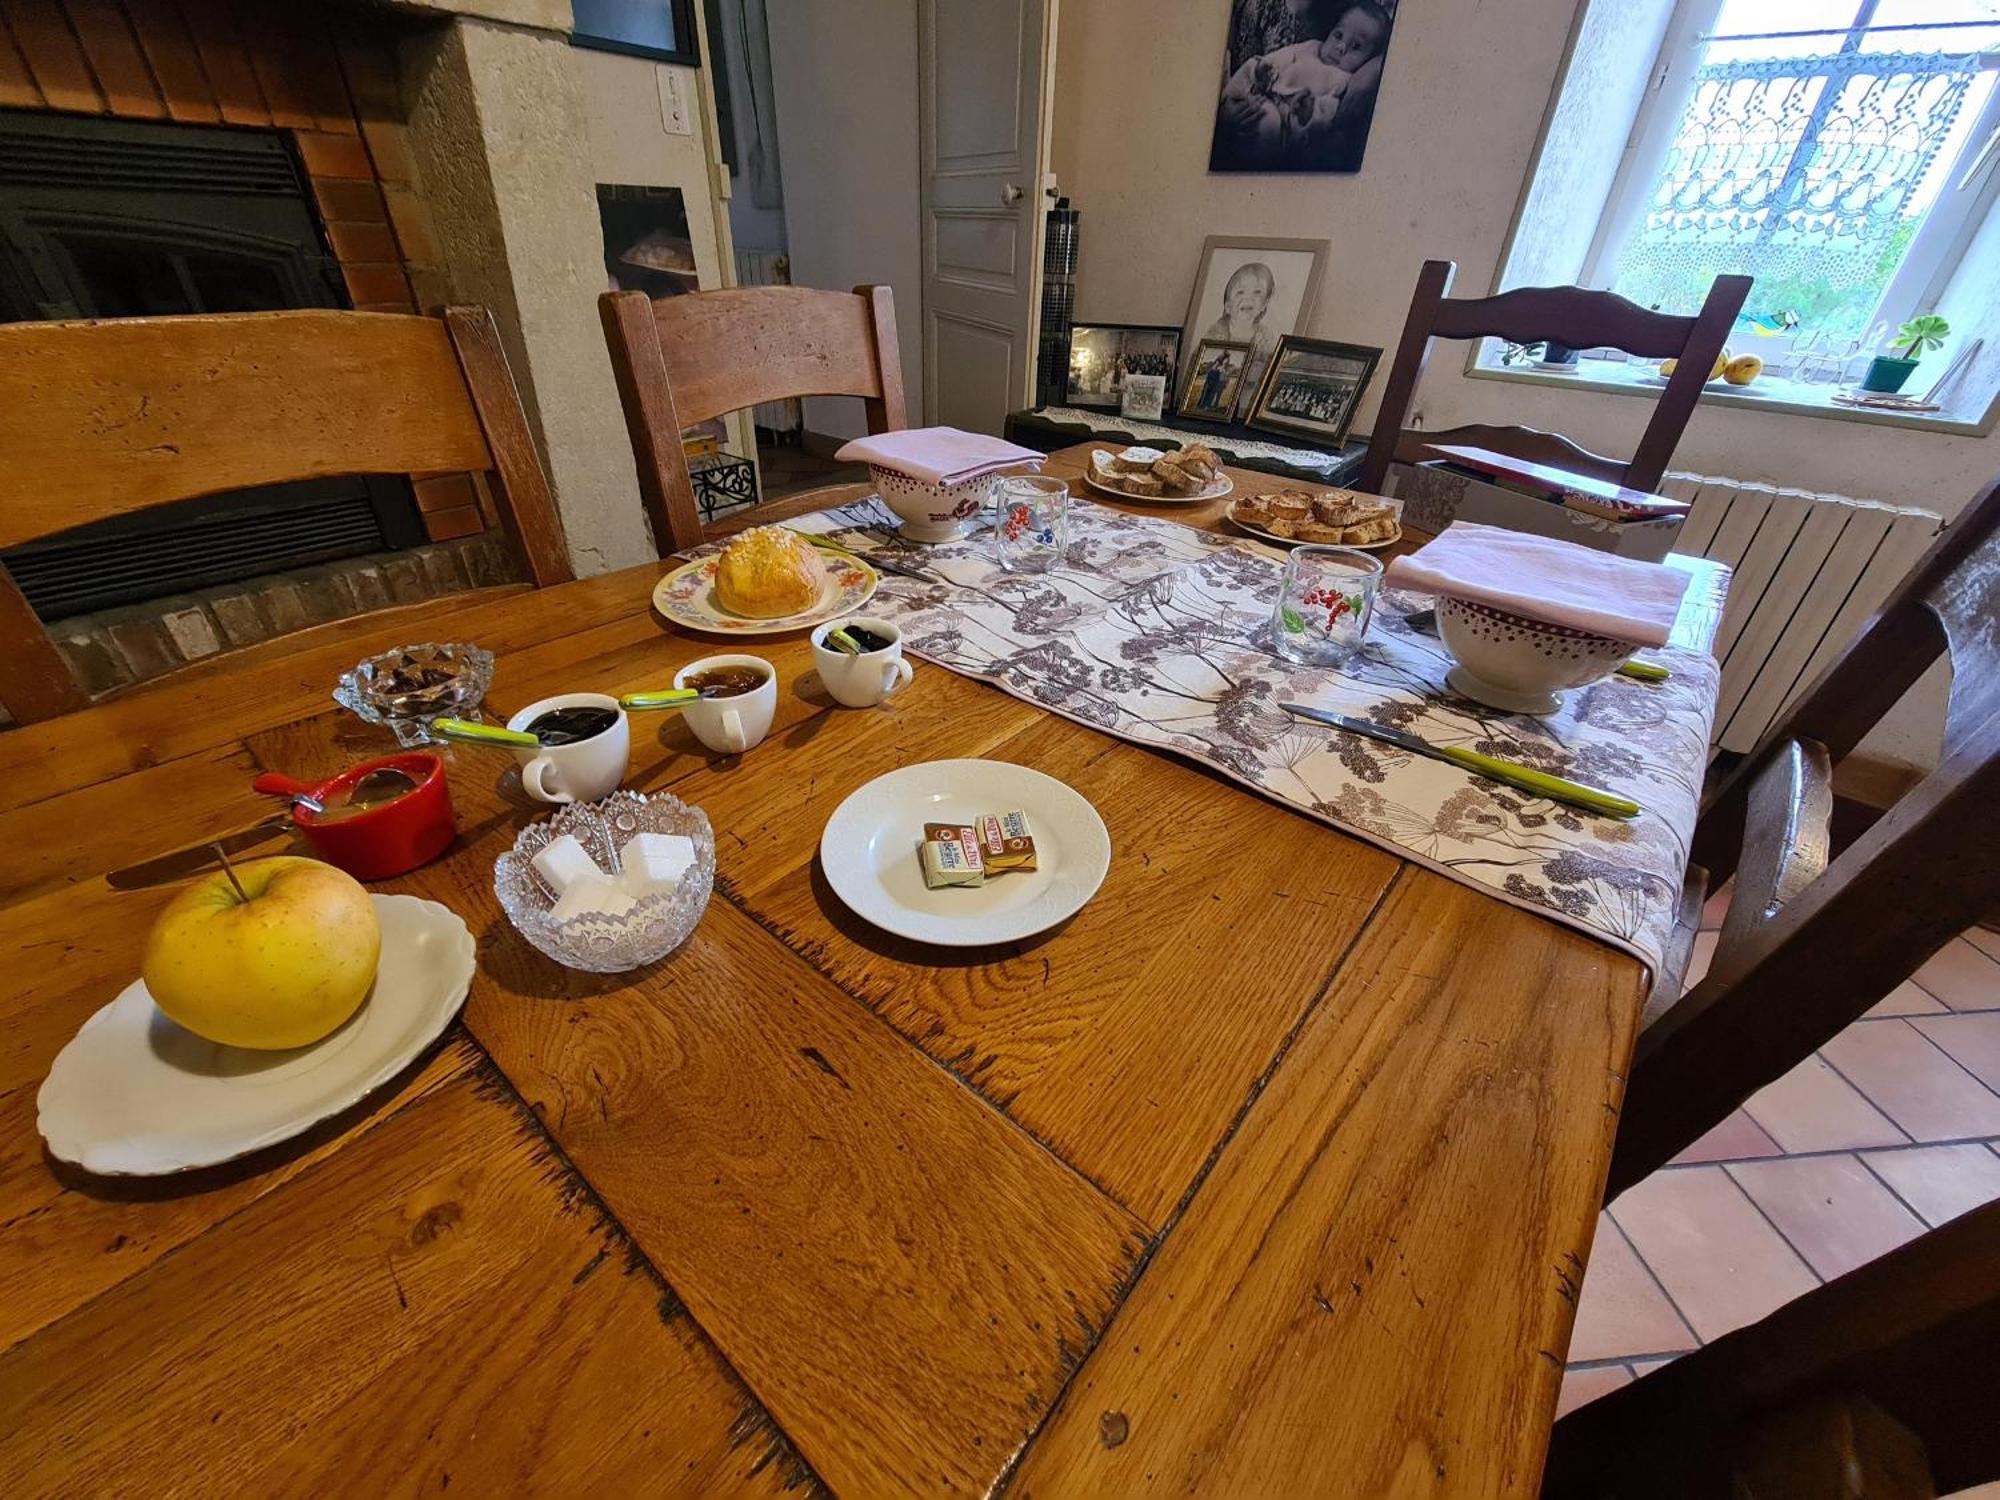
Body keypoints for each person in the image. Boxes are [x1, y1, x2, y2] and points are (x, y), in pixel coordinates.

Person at [1216, 0, 1389, 167]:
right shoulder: (1311, 48)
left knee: (1268, 127)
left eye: (1356, 47)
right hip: (1260, 101)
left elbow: (1330, 114)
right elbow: (1263, 64)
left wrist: (1309, 113)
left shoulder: (1347, 79)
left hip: (1291, 131)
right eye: (1338, 35)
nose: (1341, 47)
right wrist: (1228, 103)